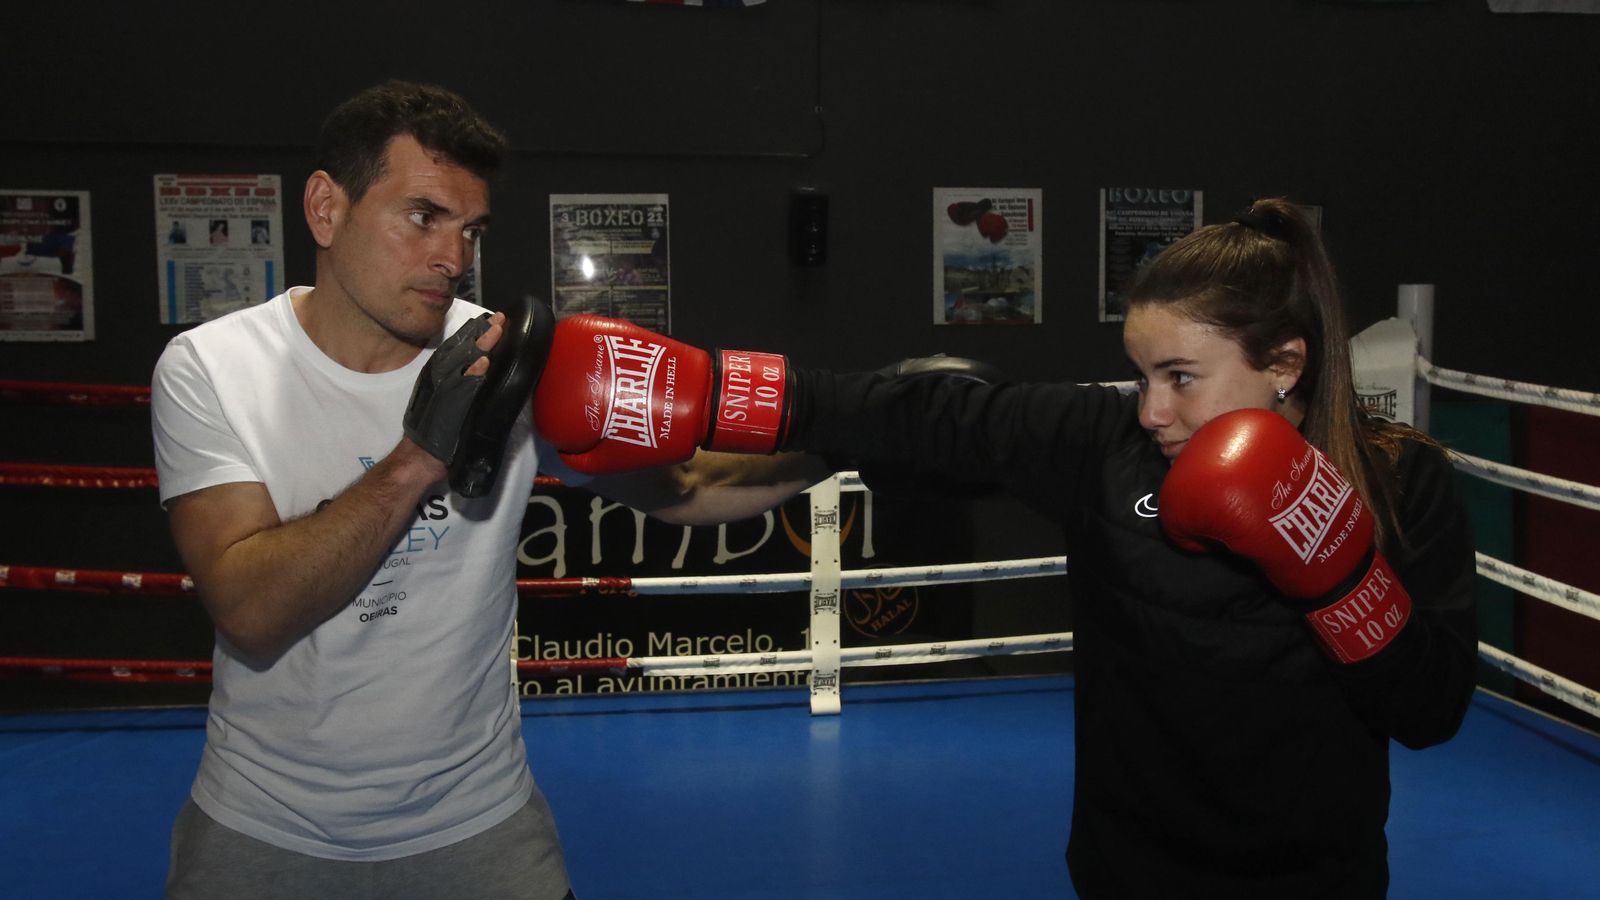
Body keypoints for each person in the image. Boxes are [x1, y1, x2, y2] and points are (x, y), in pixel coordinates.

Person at [530, 197, 1478, 898]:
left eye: (1181, 377)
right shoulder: (1101, 448)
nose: (1152, 409)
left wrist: (1341, 578)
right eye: (1141, 374)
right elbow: (932, 413)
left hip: (1318, 883)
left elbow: (1431, 709)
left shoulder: (1401, 483)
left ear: (1284, 364)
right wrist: (723, 390)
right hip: (1128, 875)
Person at [150, 80, 824, 900]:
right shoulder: (214, 368)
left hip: (477, 824)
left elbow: (686, 489)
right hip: (264, 831)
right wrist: (417, 457)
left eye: (470, 229)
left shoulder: (506, 361)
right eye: (423, 217)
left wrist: (858, 441)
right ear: (326, 209)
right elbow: (251, 610)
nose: (453, 257)